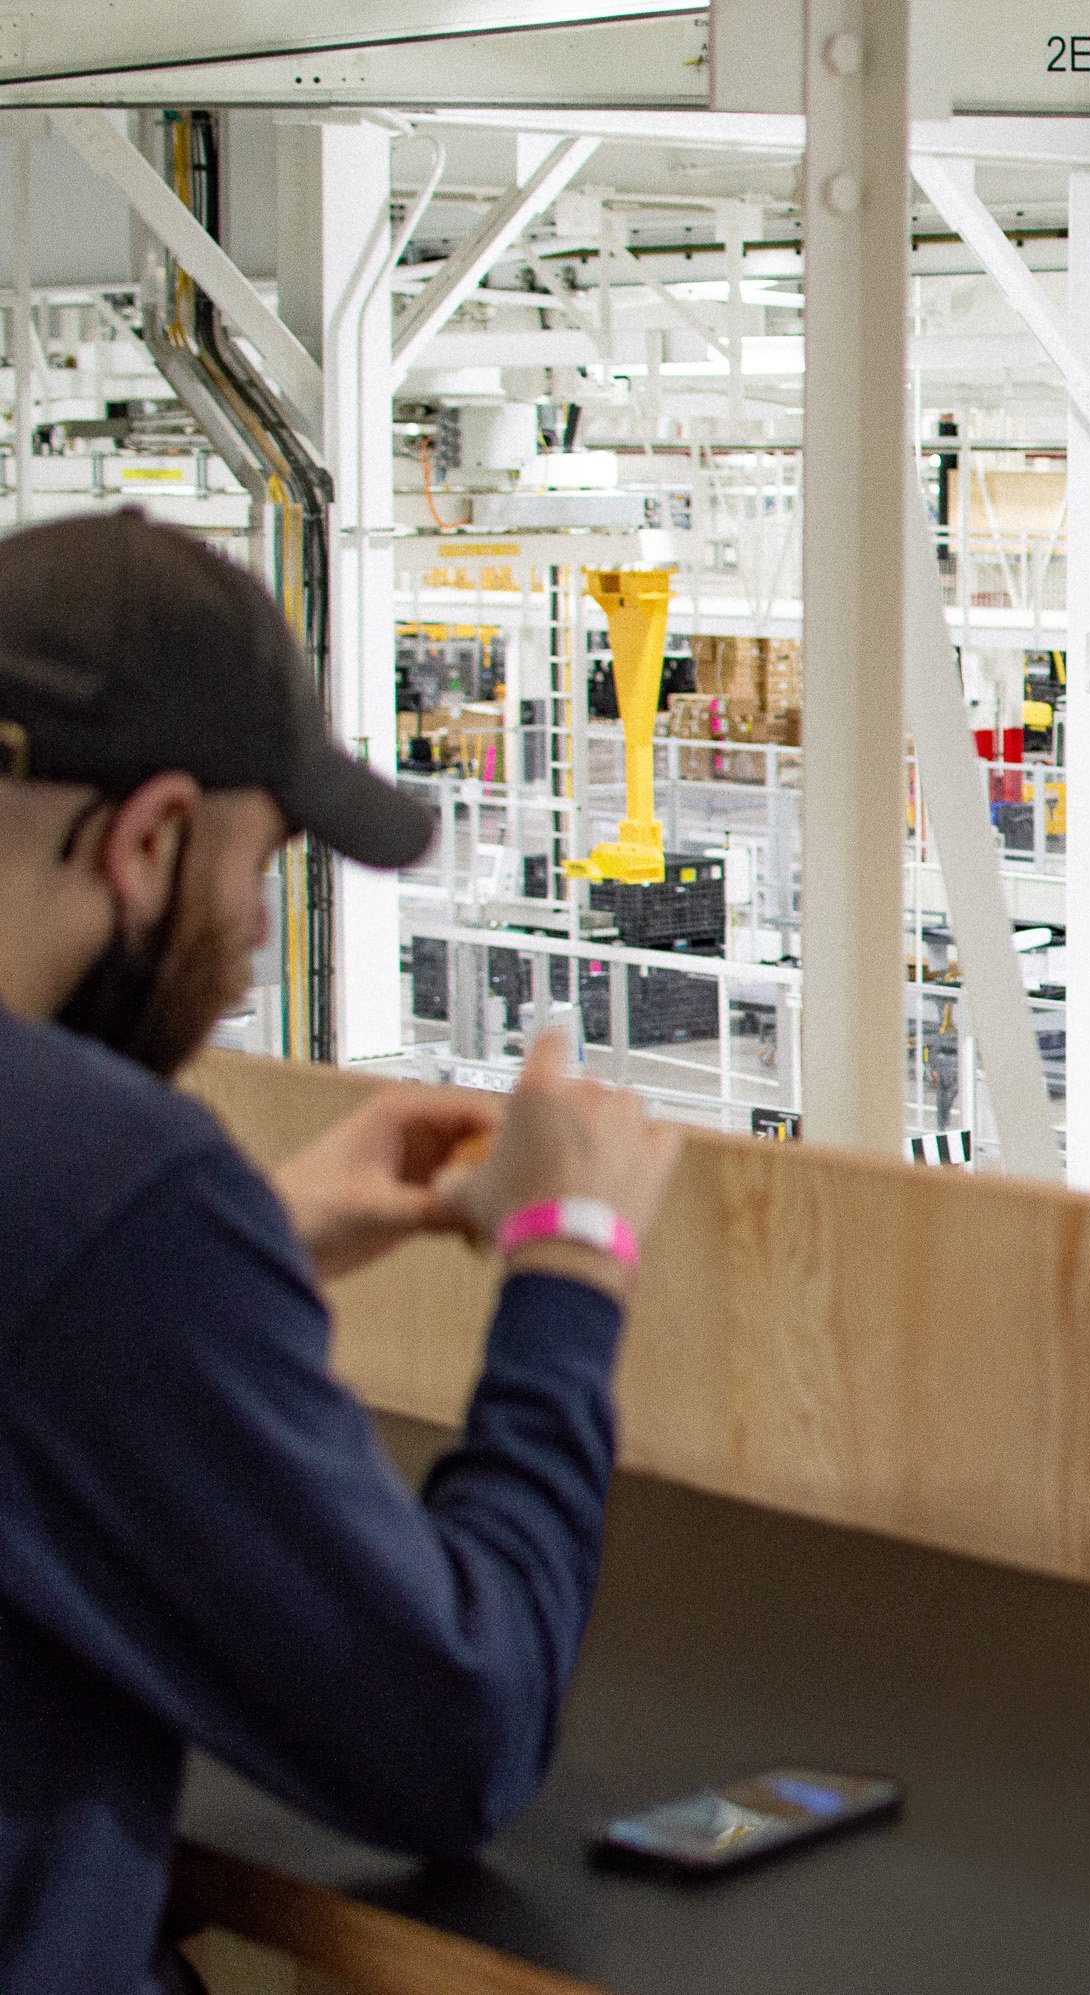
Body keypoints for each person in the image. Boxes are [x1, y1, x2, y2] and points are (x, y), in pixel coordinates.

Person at [0, 511, 683, 1994]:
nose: (256, 932)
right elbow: (454, 1734)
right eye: (260, 869)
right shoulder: (106, 1177)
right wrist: (573, 1259)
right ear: (147, 837)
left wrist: (256, 1232)